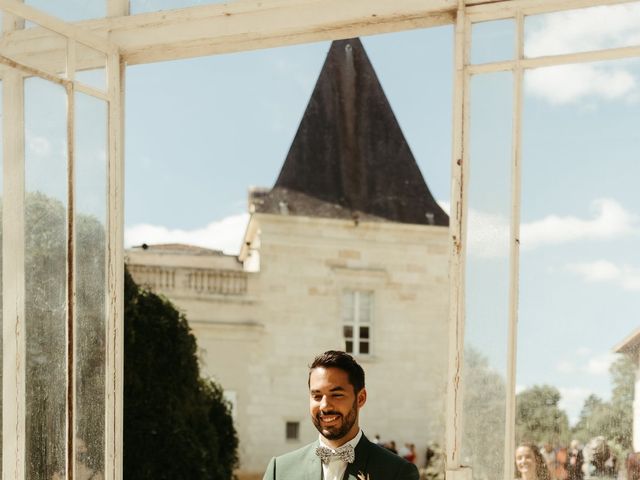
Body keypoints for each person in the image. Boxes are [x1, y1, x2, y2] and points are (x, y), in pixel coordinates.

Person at [263, 350, 419, 480]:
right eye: (317, 396)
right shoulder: (280, 471)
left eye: (336, 395)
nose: (324, 405)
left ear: (361, 398)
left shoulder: (398, 472)